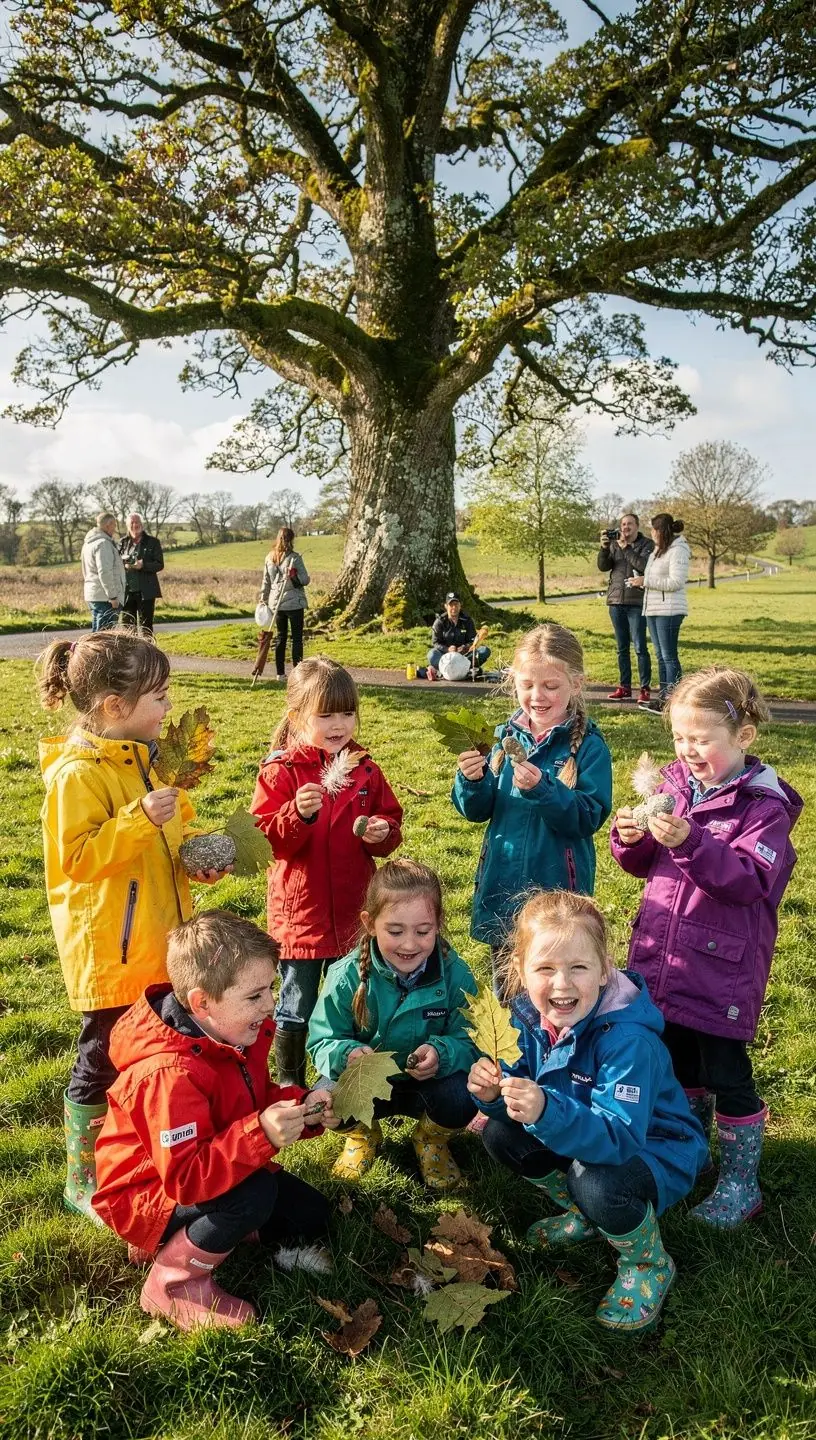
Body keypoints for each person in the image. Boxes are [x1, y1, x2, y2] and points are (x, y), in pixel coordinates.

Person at [36, 631, 231, 1223]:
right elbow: (78, 858)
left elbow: (167, 838)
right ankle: (83, 1176)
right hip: (112, 954)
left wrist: (197, 856)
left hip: (161, 941)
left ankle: (138, 1150)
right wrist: (139, 819)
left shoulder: (147, 760)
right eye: (161, 696)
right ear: (115, 706)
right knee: (100, 1058)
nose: (169, 707)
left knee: (151, 1054)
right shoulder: (77, 776)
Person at [611, 666, 802, 1228]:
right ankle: (687, 1153)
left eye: (702, 739)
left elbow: (745, 882)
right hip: (664, 960)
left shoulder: (762, 810)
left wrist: (692, 840)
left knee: (726, 1073)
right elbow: (644, 865)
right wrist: (631, 841)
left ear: (742, 737)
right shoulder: (673, 787)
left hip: (722, 970)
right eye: (679, 737)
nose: (688, 750)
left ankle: (741, 1181)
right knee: (676, 1063)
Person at [469, 890, 708, 1332]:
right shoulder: (529, 1017)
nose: (561, 985)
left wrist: (544, 1109)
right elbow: (517, 1078)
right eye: (545, 969)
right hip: (575, 1127)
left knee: (595, 1181)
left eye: (578, 967)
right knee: (499, 1135)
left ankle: (647, 1262)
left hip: (654, 1147)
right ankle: (585, 1214)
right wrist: (491, 1093)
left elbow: (618, 1138)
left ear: (604, 971)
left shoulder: (628, 1042)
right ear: (520, 970)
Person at [92, 911, 340, 1331]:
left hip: (213, 1160)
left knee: (311, 1215)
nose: (270, 1005)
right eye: (255, 996)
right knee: (254, 1194)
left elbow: (255, 1098)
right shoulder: (168, 1074)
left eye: (271, 989)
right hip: (147, 1194)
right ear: (201, 1002)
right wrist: (261, 1135)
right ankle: (172, 1284)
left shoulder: (229, 1031)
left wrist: (306, 1106)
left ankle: (206, 1235)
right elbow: (186, 1177)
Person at [250, 657, 403, 1090]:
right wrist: (295, 814)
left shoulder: (365, 771)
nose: (339, 724)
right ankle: (290, 1082)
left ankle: (340, 1077)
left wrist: (381, 833)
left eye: (347, 713)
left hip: (355, 911)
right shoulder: (280, 772)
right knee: (296, 1002)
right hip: (302, 915)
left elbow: (390, 825)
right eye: (326, 714)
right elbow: (268, 840)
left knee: (348, 999)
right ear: (297, 716)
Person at [451, 622, 612, 994]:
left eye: (550, 686)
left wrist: (544, 789)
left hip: (556, 899)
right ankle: (505, 1053)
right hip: (502, 887)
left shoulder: (588, 748)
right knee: (506, 993)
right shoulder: (503, 738)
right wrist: (472, 781)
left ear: (576, 684)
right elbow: (477, 810)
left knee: (551, 994)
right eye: (526, 685)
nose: (537, 696)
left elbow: (587, 816)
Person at [308, 859, 478, 1187]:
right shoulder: (344, 977)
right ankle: (362, 1134)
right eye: (395, 931)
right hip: (367, 1086)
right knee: (324, 1099)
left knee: (466, 1095)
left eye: (423, 931)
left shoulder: (457, 975)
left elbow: (472, 1039)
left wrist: (443, 1053)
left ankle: (431, 1139)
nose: (409, 944)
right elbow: (320, 1040)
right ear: (370, 924)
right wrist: (347, 1054)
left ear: (438, 924)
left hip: (428, 1085)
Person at [627, 513, 690, 713]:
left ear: (662, 531)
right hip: (654, 608)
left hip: (669, 610)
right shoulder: (658, 551)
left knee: (669, 656)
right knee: (661, 656)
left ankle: (674, 700)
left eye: (654, 529)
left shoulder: (678, 551)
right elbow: (655, 579)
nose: (652, 533)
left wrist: (645, 581)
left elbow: (676, 582)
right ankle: (663, 699)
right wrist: (641, 581)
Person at [597, 511, 653, 703]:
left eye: (629, 524)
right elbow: (603, 567)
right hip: (615, 601)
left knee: (639, 647)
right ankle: (625, 687)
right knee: (622, 648)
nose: (625, 528)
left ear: (637, 526)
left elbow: (645, 567)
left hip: (636, 602)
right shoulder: (613, 545)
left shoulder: (647, 545)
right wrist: (604, 548)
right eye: (623, 525)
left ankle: (645, 689)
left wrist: (626, 548)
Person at [259, 527, 310, 680]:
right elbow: (304, 580)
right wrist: (294, 576)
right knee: (297, 638)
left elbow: (266, 581)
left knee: (281, 637)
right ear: (292, 539)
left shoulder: (269, 558)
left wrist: (263, 597)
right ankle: (297, 674)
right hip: (294, 603)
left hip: (277, 604)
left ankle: (280, 674)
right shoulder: (295, 558)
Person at [426, 592, 490, 681]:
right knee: (431, 654)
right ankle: (464, 671)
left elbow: (473, 640)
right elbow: (435, 643)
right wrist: (447, 649)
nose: (454, 608)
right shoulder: (440, 621)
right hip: (445, 656)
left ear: (460, 605)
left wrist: (465, 647)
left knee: (484, 650)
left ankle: (442, 672)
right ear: (445, 606)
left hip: (464, 657)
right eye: (451, 605)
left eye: (456, 604)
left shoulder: (467, 621)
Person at [119, 512, 164, 633]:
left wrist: (143, 565)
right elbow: (116, 564)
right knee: (127, 627)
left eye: (137, 522)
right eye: (132, 522)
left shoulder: (153, 542)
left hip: (146, 591)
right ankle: (130, 652)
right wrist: (124, 565)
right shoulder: (122, 543)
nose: (135, 525)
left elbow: (160, 564)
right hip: (127, 591)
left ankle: (148, 651)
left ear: (142, 524)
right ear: (128, 525)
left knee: (146, 627)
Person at [80, 512, 126, 631]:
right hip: (105, 597)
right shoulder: (103, 544)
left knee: (96, 635)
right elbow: (105, 572)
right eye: (114, 525)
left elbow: (85, 569)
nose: (115, 529)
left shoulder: (88, 543)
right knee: (104, 637)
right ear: (108, 525)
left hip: (94, 594)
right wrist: (113, 596)